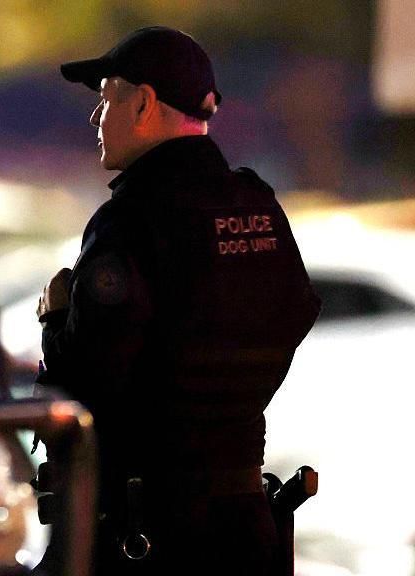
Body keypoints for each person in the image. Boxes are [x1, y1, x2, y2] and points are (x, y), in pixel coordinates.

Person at [34, 27, 321, 574]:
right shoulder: (257, 204)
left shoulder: (130, 220)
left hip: (144, 529)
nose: (96, 117)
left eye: (106, 98)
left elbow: (88, 377)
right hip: (246, 524)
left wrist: (57, 316)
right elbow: (297, 313)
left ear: (143, 104)